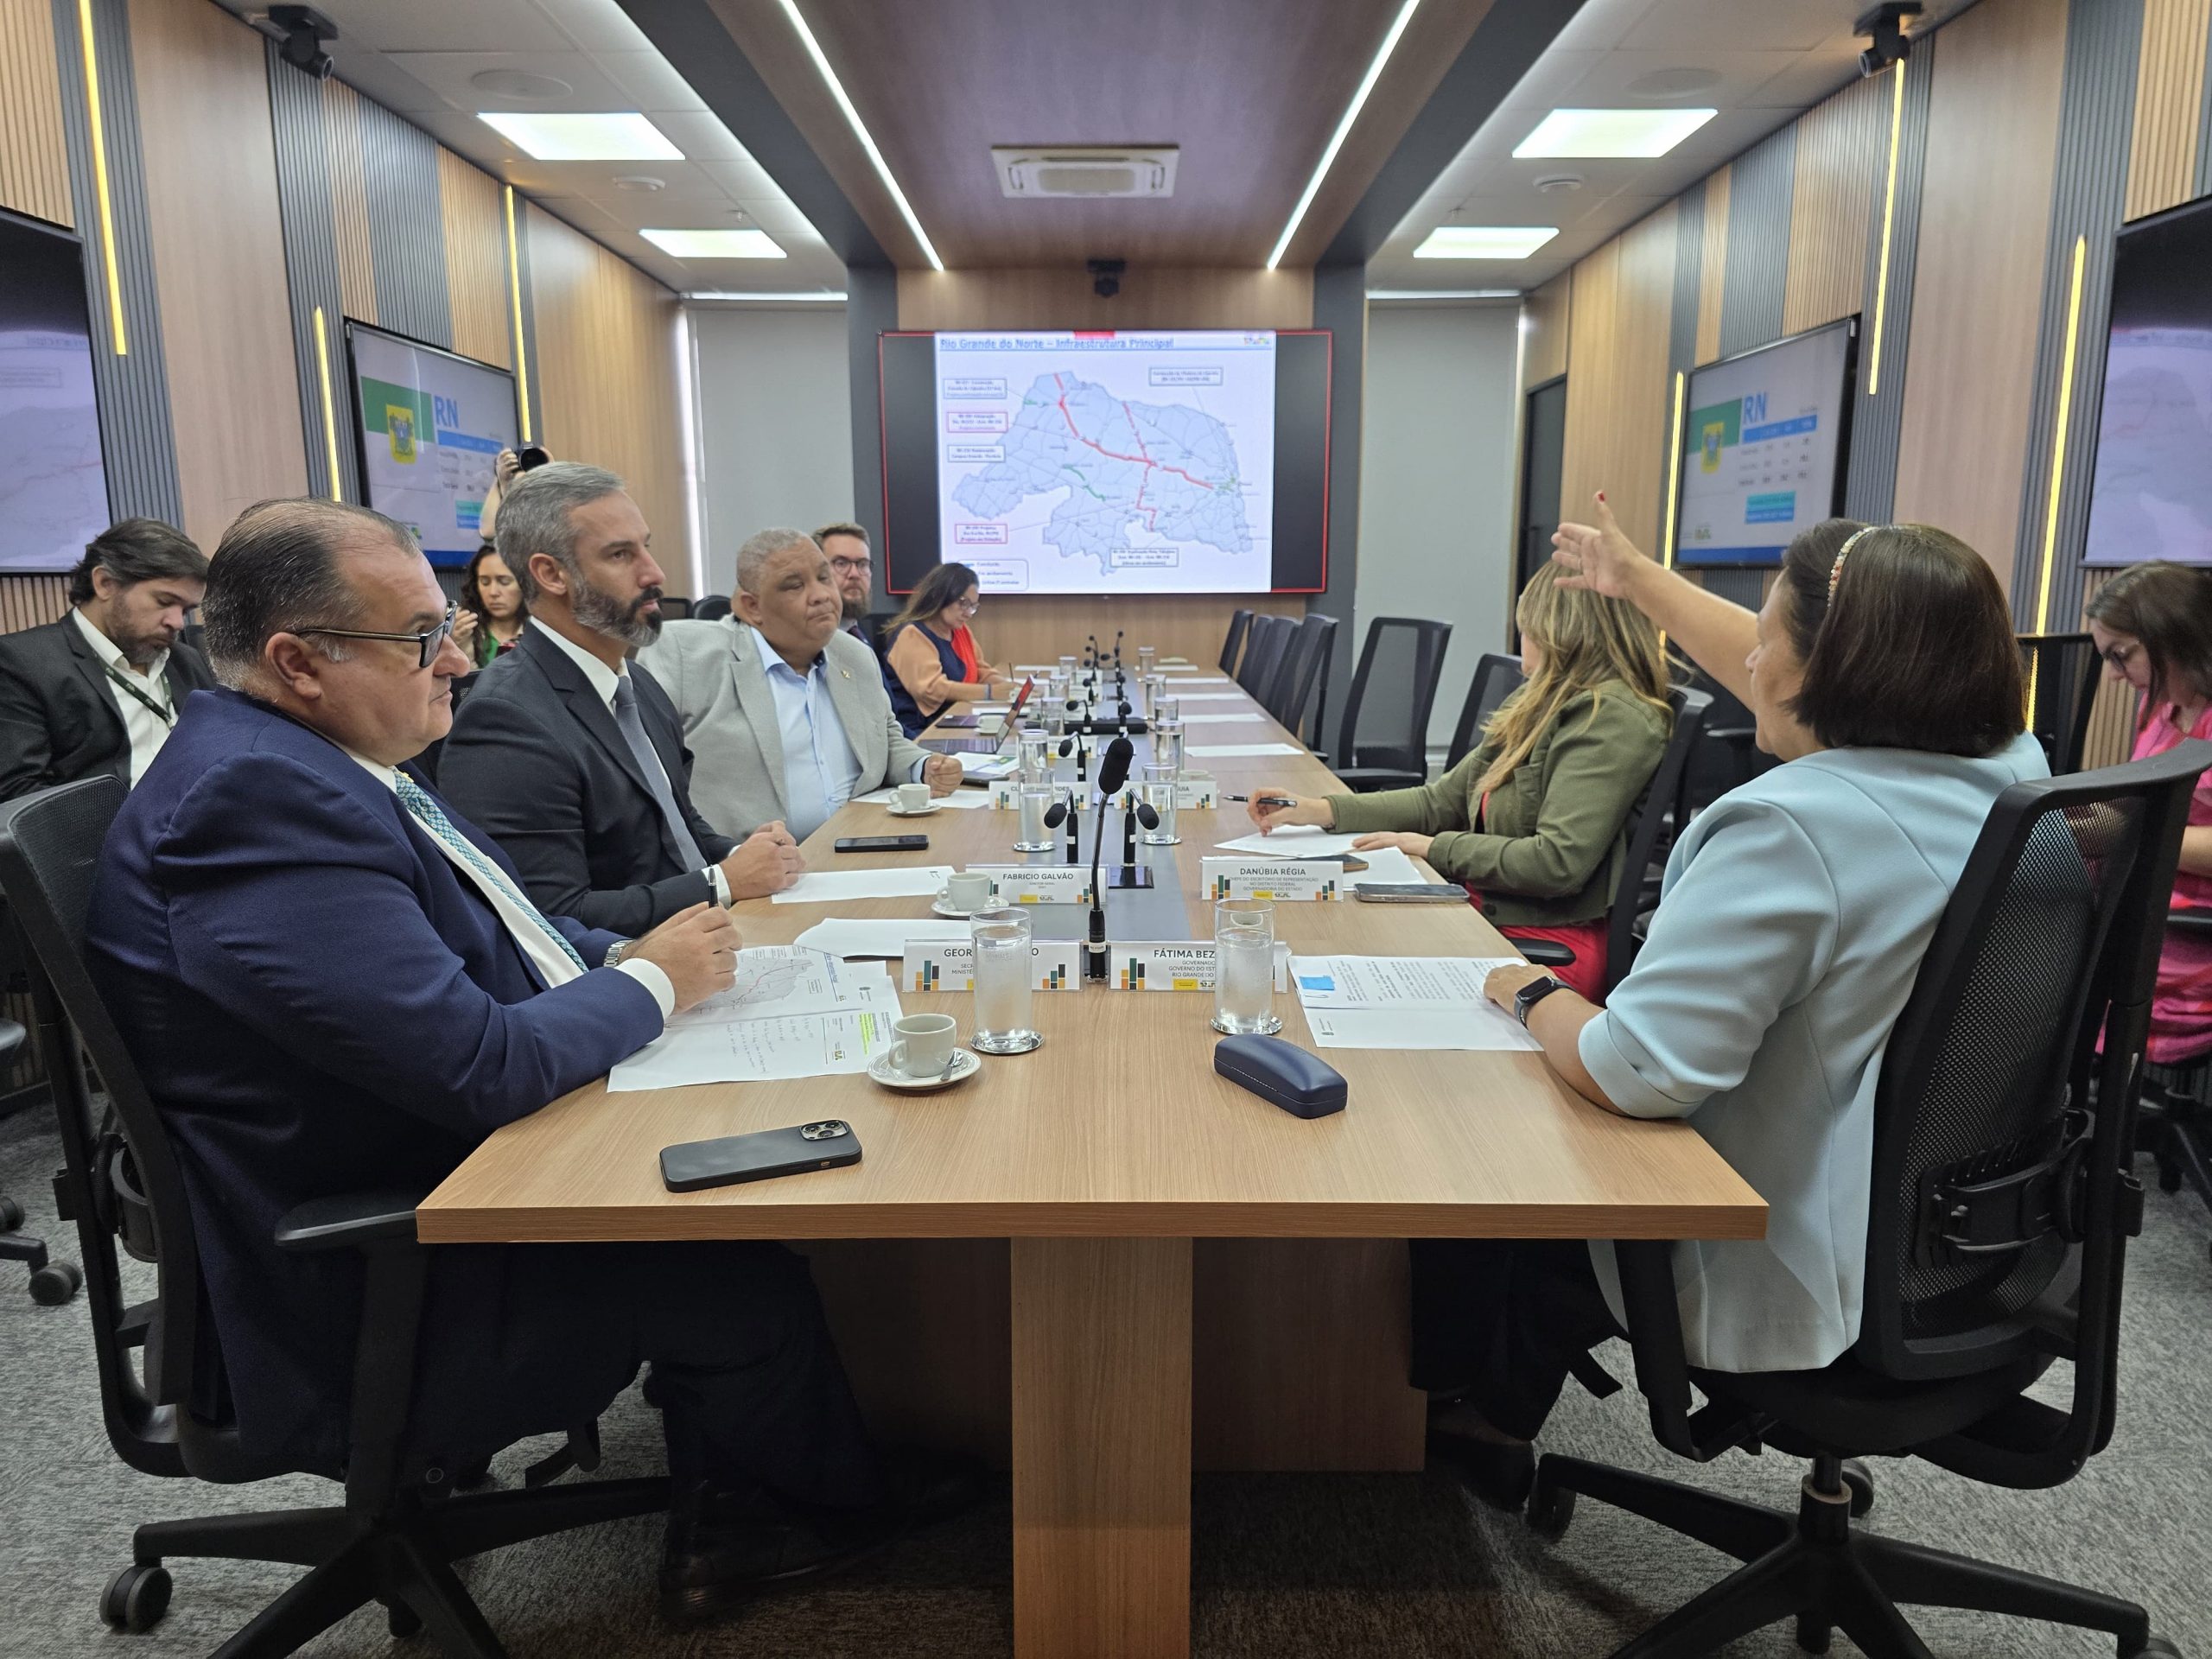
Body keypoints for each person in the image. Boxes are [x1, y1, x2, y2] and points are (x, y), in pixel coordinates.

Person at [86, 497, 972, 1621]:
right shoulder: (253, 803)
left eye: (449, 625)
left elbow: (507, 929)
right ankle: (809, 1514)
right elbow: (482, 1067)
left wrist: (634, 955)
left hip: (419, 1160)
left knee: (744, 1162)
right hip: (366, 1263)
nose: (461, 658)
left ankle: (756, 1483)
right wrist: (654, 983)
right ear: (298, 662)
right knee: (734, 1267)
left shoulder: (319, 756)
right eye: (422, 638)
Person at [1410, 494, 2045, 1511]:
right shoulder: (2015, 775)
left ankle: (1470, 1416)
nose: (1745, 659)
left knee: (1479, 1140)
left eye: (1768, 639)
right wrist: (1637, 580)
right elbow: (1796, 652)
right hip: (1960, 1245)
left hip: (1770, 1242)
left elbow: (1636, 1073)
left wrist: (1526, 993)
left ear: (1827, 671)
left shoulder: (1792, 829)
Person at [1243, 561, 1670, 1000]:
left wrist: (1433, 847)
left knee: (1328, 966)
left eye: (1525, 628)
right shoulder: (1540, 699)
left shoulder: (1609, 719)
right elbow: (1440, 801)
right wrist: (1317, 810)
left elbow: (1556, 863)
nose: (1521, 640)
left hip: (1541, 949)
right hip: (1483, 916)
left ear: (1557, 631)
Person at [438, 463, 806, 934]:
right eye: (620, 554)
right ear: (551, 574)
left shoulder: (639, 685)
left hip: (714, 940)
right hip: (639, 966)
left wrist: (742, 854)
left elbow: (674, 826)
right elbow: (548, 919)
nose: (654, 572)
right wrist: (723, 881)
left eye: (645, 547)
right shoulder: (506, 719)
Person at [639, 527, 963, 842]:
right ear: (753, 607)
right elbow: (646, 776)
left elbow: (885, 739)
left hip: (861, 844)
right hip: (751, 865)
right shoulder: (684, 655)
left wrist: (922, 766)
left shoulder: (854, 655)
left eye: (824, 578)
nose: (822, 595)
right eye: (795, 586)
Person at [2084, 561, 2212, 1062]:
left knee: (2041, 973)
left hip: (2191, 933)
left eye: (2121, 655)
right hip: (2154, 905)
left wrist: (2130, 832)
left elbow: (2153, 822)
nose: (2114, 675)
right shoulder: (2163, 705)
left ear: (2174, 635)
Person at [0, 517, 215, 799]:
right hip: (105, 825)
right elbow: (19, 794)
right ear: (105, 584)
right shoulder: (22, 663)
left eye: (186, 610)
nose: (177, 622)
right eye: (164, 602)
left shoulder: (187, 660)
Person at [881, 561, 1011, 736]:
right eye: (963, 603)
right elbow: (932, 689)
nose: (968, 613)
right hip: (919, 730)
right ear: (940, 595)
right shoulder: (912, 635)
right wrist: (990, 692)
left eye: (973, 607)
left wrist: (1009, 688)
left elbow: (981, 670)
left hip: (952, 719)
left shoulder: (960, 630)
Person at [817, 520, 883, 655]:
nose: (854, 574)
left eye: (863, 564)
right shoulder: (805, 648)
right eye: (841, 563)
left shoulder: (868, 637)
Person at [460, 542, 529, 666]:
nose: (493, 592)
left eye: (504, 581)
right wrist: (458, 647)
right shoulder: (462, 628)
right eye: (485, 582)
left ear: (526, 583)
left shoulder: (543, 629)